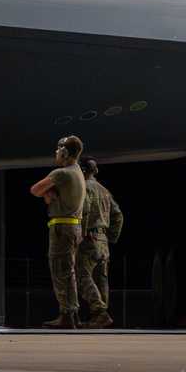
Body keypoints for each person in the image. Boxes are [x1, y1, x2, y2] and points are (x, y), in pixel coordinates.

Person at [29, 135, 86, 329]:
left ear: (65, 152)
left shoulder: (61, 173)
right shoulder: (77, 171)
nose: (56, 152)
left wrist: (46, 193)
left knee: (60, 271)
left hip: (62, 228)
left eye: (59, 149)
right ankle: (73, 313)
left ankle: (67, 315)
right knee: (69, 272)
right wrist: (50, 193)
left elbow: (34, 190)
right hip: (74, 226)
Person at [76, 157, 124, 329]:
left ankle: (100, 312)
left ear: (82, 170)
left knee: (82, 276)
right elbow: (118, 215)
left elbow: (86, 210)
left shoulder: (85, 187)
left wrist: (82, 233)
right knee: (101, 279)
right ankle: (99, 318)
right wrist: (111, 237)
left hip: (89, 237)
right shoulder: (104, 190)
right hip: (103, 240)